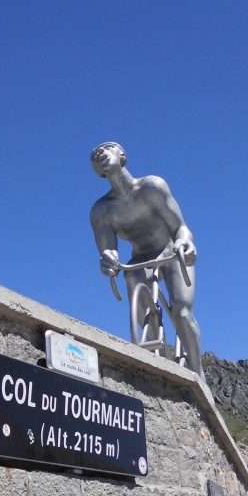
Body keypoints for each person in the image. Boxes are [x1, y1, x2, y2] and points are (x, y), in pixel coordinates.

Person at [89, 140, 204, 380]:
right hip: (139, 258)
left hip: (171, 252)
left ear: (122, 155)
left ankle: (197, 371)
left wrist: (186, 242)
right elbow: (107, 251)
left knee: (182, 313)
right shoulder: (102, 211)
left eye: (106, 148)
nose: (100, 152)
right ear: (98, 171)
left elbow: (181, 228)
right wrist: (108, 261)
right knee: (133, 281)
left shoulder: (152, 187)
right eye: (96, 154)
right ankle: (153, 356)